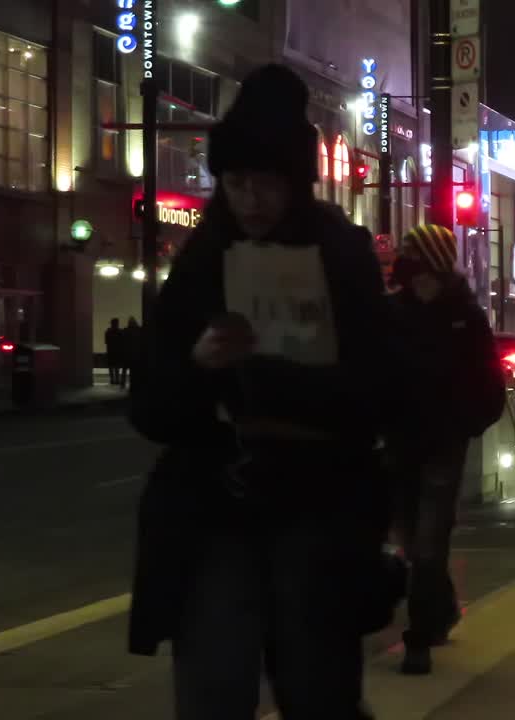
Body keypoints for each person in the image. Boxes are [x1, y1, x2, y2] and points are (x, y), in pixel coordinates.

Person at [127, 64, 396, 720]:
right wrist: (198, 365)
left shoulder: (340, 254)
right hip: (215, 499)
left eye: (267, 182)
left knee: (317, 682)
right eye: (238, 182)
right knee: (214, 679)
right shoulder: (200, 262)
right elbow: (151, 407)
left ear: (296, 182)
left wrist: (282, 379)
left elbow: (383, 391)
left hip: (318, 497)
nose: (252, 199)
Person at [388, 224, 505, 676]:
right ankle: (441, 610)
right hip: (400, 442)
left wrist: (464, 425)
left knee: (428, 542)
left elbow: (488, 384)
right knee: (414, 543)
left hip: (441, 442)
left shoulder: (464, 317)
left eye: (420, 265)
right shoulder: (394, 312)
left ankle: (419, 636)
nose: (415, 277)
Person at [121, 317, 142, 390]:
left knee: (125, 370)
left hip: (127, 353)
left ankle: (123, 384)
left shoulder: (126, 331)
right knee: (134, 371)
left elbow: (123, 342)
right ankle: (134, 385)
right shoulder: (139, 330)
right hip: (136, 353)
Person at [104, 318, 123, 385]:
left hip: (110, 351)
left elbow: (106, 342)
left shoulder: (108, 332)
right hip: (117, 351)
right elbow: (122, 342)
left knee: (111, 366)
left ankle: (112, 380)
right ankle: (117, 380)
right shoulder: (120, 332)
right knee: (117, 366)